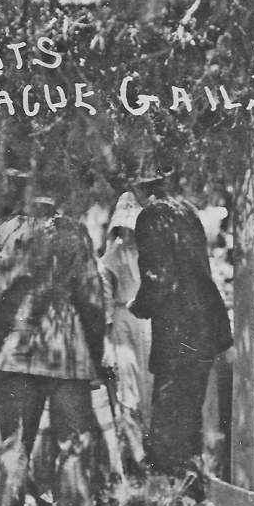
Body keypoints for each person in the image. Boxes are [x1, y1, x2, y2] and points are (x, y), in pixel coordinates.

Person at [0, 191, 106, 506]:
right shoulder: (74, 233)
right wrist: (94, 352)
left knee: (13, 442)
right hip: (68, 347)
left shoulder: (4, 231)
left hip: (18, 343)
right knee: (73, 443)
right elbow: (92, 298)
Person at [129, 168, 233, 482]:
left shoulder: (151, 215)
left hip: (178, 327)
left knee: (171, 414)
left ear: (140, 187)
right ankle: (190, 486)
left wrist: (140, 305)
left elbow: (158, 277)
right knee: (189, 412)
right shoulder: (186, 209)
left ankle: (173, 489)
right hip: (203, 324)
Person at [99, 191, 152, 472]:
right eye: (125, 229)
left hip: (148, 323)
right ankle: (137, 455)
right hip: (123, 322)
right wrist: (107, 343)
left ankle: (152, 452)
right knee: (127, 386)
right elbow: (106, 304)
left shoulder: (149, 253)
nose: (129, 234)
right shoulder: (109, 259)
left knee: (150, 383)